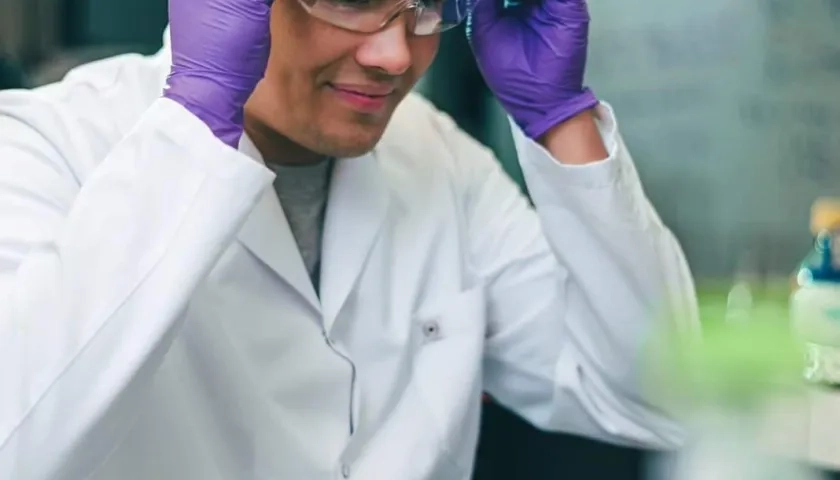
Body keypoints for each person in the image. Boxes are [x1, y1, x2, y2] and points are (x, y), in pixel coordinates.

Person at [0, 0, 700, 478]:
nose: (396, 55)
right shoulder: (42, 146)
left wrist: (560, 118)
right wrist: (197, 124)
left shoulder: (439, 159)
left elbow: (659, 400)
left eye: (427, 7)